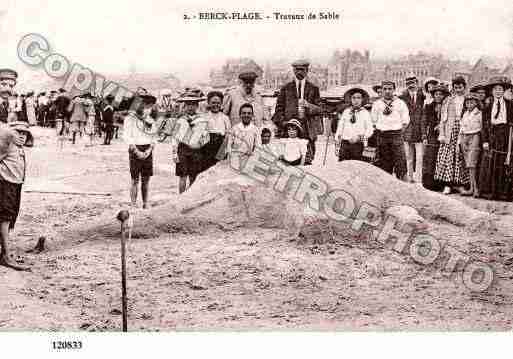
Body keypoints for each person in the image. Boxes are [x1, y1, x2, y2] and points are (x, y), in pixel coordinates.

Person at [272, 59, 322, 165]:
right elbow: (278, 111)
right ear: (293, 70)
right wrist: (285, 124)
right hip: (289, 132)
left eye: (302, 69)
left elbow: (320, 109)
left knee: (307, 162)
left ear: (307, 70)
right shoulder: (286, 88)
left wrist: (308, 105)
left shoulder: (314, 89)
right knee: (287, 162)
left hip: (307, 131)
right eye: (297, 69)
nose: (299, 72)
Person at [0, 121, 33, 271]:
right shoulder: (6, 145)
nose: (21, 136)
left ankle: (5, 253)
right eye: (18, 132)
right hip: (5, 184)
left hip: (15, 185)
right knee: (5, 218)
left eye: (24, 133)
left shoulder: (19, 148)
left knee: (10, 218)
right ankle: (6, 255)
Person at [478, 76, 513, 200]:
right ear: (492, 91)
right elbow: (483, 124)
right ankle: (490, 192)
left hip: (504, 135)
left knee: (503, 162)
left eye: (500, 89)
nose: (498, 91)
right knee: (490, 162)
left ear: (504, 91)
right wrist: (485, 140)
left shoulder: (510, 104)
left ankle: (502, 192)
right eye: (496, 89)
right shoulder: (487, 105)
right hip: (492, 134)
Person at [435, 76, 470, 195]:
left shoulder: (468, 99)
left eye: (460, 87)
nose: (458, 90)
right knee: (448, 158)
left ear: (464, 87)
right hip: (450, 132)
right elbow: (443, 119)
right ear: (453, 88)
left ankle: (460, 184)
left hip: (464, 131)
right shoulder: (448, 100)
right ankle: (447, 184)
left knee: (461, 157)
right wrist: (442, 134)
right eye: (456, 87)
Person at [123, 94, 158, 208]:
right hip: (135, 149)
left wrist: (149, 150)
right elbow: (127, 137)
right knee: (134, 179)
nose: (144, 107)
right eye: (141, 104)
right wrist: (137, 151)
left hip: (147, 149)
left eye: (147, 105)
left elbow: (154, 137)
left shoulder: (151, 120)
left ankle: (145, 202)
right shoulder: (130, 118)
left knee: (146, 179)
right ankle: (133, 204)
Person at [371, 80, 410, 180]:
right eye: (385, 89)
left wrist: (398, 133)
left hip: (396, 136)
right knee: (383, 165)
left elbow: (405, 121)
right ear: (382, 90)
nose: (387, 91)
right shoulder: (377, 104)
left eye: (390, 89)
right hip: (382, 136)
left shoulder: (400, 103)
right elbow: (373, 121)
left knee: (400, 163)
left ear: (394, 90)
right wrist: (381, 131)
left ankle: (402, 186)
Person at [173, 91, 209, 194]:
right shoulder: (180, 120)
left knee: (194, 175)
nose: (191, 107)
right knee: (182, 175)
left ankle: (191, 196)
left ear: (197, 106)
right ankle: (181, 196)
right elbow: (175, 137)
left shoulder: (202, 120)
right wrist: (174, 152)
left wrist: (200, 144)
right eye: (188, 104)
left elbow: (206, 136)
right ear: (184, 106)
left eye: (193, 104)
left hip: (196, 150)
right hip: (183, 149)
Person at [421, 84, 449, 191]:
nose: (438, 96)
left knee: (441, 159)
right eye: (436, 94)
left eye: (441, 94)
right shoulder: (429, 106)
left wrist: (442, 126)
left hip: (444, 135)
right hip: (432, 136)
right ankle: (429, 183)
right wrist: (424, 136)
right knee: (430, 158)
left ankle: (440, 184)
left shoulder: (447, 106)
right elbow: (424, 122)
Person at [335, 87, 373, 161]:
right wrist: (337, 143)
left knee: (356, 167)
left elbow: (370, 130)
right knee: (343, 166)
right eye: (354, 98)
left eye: (358, 98)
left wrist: (360, 137)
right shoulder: (346, 112)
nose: (356, 100)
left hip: (358, 145)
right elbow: (340, 128)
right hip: (345, 144)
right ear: (351, 100)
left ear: (362, 100)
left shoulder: (365, 113)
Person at [400, 76, 426, 183]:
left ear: (417, 83)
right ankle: (409, 177)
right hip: (407, 131)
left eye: (413, 83)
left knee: (420, 157)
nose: (411, 85)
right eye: (408, 83)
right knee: (408, 157)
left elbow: (424, 115)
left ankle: (418, 178)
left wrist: (424, 132)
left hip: (419, 131)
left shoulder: (422, 97)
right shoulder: (402, 98)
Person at [457, 93, 482, 197]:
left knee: (472, 164)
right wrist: (459, 141)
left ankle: (475, 188)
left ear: (476, 103)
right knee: (468, 164)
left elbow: (481, 128)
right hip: (464, 137)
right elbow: (461, 128)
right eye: (467, 102)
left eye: (472, 102)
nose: (469, 104)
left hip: (474, 137)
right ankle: (471, 188)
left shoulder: (479, 114)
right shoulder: (465, 113)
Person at [227, 103, 260, 170]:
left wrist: (252, 155)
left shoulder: (255, 130)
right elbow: (229, 146)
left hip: (249, 159)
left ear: (252, 115)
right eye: (244, 113)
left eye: (249, 113)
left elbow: (258, 147)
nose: (246, 115)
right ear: (240, 115)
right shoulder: (234, 129)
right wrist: (233, 155)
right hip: (235, 159)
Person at [203, 91, 231, 171]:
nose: (216, 105)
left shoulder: (225, 118)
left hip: (221, 146)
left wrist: (225, 150)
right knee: (207, 169)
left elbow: (228, 135)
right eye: (213, 103)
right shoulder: (204, 117)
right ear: (208, 103)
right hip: (208, 147)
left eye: (218, 103)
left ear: (221, 103)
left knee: (219, 170)